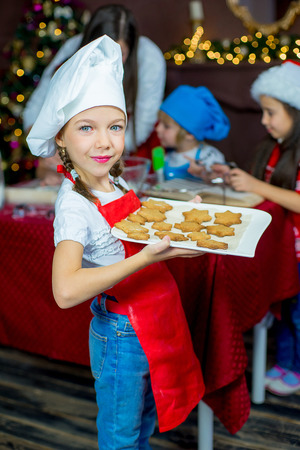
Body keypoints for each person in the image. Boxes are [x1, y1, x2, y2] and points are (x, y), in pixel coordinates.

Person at [26, 35, 205, 448]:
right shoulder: (73, 205)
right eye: (86, 128)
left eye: (115, 127)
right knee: (121, 436)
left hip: (155, 321)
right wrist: (145, 259)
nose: (104, 141)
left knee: (143, 423)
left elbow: (136, 231)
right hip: (123, 333)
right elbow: (65, 290)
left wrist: (181, 220)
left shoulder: (115, 180)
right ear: (61, 137)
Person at [211, 60, 300, 396]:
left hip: (297, 251)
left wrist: (255, 185)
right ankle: (286, 362)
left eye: (271, 112)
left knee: (298, 315)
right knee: (283, 309)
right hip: (278, 250)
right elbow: (263, 187)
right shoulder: (271, 147)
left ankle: (296, 367)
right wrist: (233, 176)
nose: (264, 121)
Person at [24, 4, 166, 184]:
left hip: (128, 147)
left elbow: (142, 125)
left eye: (120, 53)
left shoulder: (149, 57)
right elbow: (35, 109)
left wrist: (102, 153)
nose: (112, 57)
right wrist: (51, 147)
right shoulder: (72, 48)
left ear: (131, 49)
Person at [155, 85, 230, 181]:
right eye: (159, 123)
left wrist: (205, 174)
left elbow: (223, 182)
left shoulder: (209, 157)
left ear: (189, 133)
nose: (158, 129)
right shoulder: (167, 157)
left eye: (166, 126)